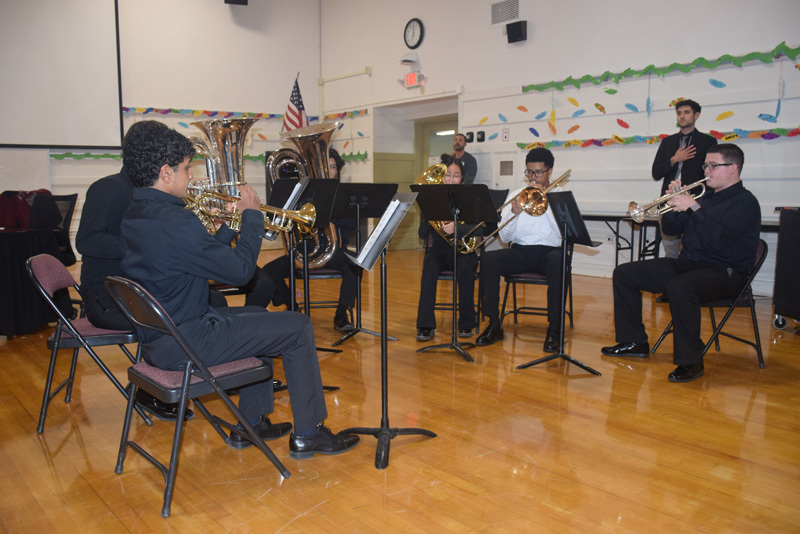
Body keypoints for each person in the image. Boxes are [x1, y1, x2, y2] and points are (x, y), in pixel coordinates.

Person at [119, 120, 359, 458]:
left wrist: (229, 229)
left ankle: (252, 423)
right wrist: (251, 217)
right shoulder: (175, 221)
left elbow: (197, 260)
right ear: (166, 173)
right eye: (187, 169)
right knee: (298, 326)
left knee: (257, 315)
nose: (191, 177)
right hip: (190, 341)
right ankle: (309, 433)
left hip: (162, 340)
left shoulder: (138, 213)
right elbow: (241, 273)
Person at [602, 144, 761, 383]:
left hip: (727, 272)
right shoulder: (703, 197)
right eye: (705, 165)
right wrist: (674, 204)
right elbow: (672, 230)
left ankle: (691, 361)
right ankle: (634, 341)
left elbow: (720, 242)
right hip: (691, 264)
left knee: (680, 286)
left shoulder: (745, 203)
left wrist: (693, 207)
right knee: (625, 273)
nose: (706, 170)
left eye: (713, 166)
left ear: (733, 168)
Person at [75, 125, 195, 422]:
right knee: (174, 314)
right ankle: (152, 390)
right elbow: (86, 241)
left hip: (139, 288)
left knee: (206, 302)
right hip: (106, 296)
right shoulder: (108, 188)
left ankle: (220, 375)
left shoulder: (154, 191)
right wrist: (139, 244)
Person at [476, 147, 566, 352]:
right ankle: (493, 324)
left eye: (538, 173)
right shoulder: (516, 195)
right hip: (521, 252)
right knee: (489, 260)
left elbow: (563, 236)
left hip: (549, 252)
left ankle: (554, 329)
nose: (533, 178)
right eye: (530, 172)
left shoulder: (560, 196)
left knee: (558, 261)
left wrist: (547, 203)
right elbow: (505, 238)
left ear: (550, 171)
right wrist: (512, 214)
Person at [260, 148, 360, 331]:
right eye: (324, 167)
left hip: (335, 251)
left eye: (332, 167)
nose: (328, 171)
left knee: (355, 266)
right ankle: (292, 308)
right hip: (305, 250)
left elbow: (352, 224)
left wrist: (327, 214)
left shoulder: (344, 193)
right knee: (268, 271)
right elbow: (288, 224)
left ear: (338, 170)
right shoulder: (303, 193)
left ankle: (341, 314)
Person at [415, 155, 482, 341]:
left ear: (462, 178)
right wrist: (430, 218)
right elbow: (422, 234)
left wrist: (457, 228)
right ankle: (425, 325)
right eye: (448, 175)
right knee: (429, 268)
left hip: (463, 250)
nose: (451, 179)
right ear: (441, 177)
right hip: (438, 251)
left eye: (456, 175)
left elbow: (480, 229)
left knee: (465, 268)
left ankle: (467, 322)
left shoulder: (470, 199)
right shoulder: (431, 199)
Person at [651, 99, 718, 263]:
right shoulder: (668, 142)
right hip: (669, 203)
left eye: (686, 112)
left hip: (695, 202)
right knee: (671, 254)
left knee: (695, 251)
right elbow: (656, 172)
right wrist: (674, 159)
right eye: (679, 113)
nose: (682, 116)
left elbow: (711, 174)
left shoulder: (708, 142)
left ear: (696, 115)